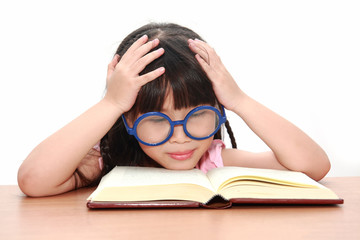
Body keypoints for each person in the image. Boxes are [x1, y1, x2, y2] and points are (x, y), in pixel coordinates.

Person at [18, 23, 330, 197]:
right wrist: (110, 104)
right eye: (156, 119)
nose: (180, 138)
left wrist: (239, 100)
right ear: (127, 119)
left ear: (218, 112)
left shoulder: (213, 160)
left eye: (196, 116)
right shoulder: (106, 159)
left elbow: (313, 166)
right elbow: (33, 180)